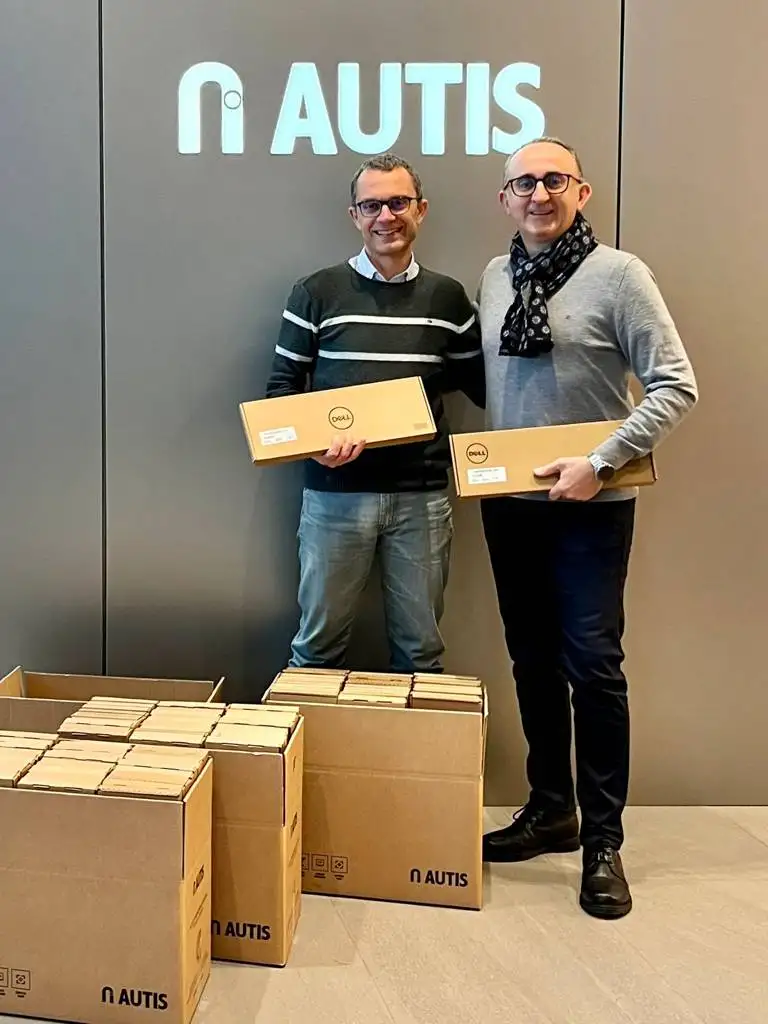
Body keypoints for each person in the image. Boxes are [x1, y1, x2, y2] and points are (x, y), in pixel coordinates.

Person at [477, 137, 698, 919]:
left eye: (553, 180)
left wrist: (601, 462)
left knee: (594, 670)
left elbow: (676, 385)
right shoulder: (496, 276)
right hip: (510, 507)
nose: (538, 194)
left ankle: (604, 842)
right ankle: (552, 810)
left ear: (583, 191)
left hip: (590, 512)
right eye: (523, 183)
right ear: (505, 199)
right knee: (531, 663)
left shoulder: (621, 275)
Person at [265, 153, 484, 673]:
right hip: (334, 495)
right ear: (355, 216)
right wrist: (315, 445)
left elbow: (480, 386)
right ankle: (309, 733)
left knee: (422, 655)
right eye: (372, 205)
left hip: (421, 499)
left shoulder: (449, 299)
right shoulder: (316, 292)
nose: (386, 216)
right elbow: (281, 392)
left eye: (398, 203)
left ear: (421, 209)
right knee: (315, 651)